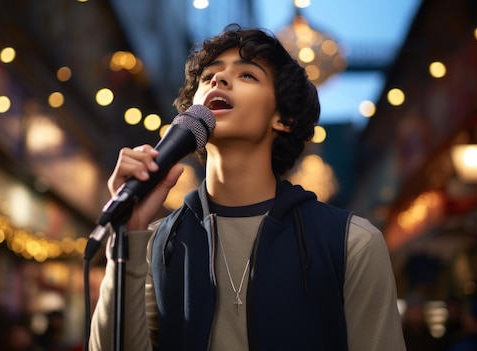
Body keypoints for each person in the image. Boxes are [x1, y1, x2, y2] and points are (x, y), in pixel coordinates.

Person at [89, 24, 405, 350]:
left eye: (247, 76)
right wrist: (125, 240)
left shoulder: (351, 242)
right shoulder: (157, 242)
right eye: (208, 76)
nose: (218, 80)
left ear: (282, 118)